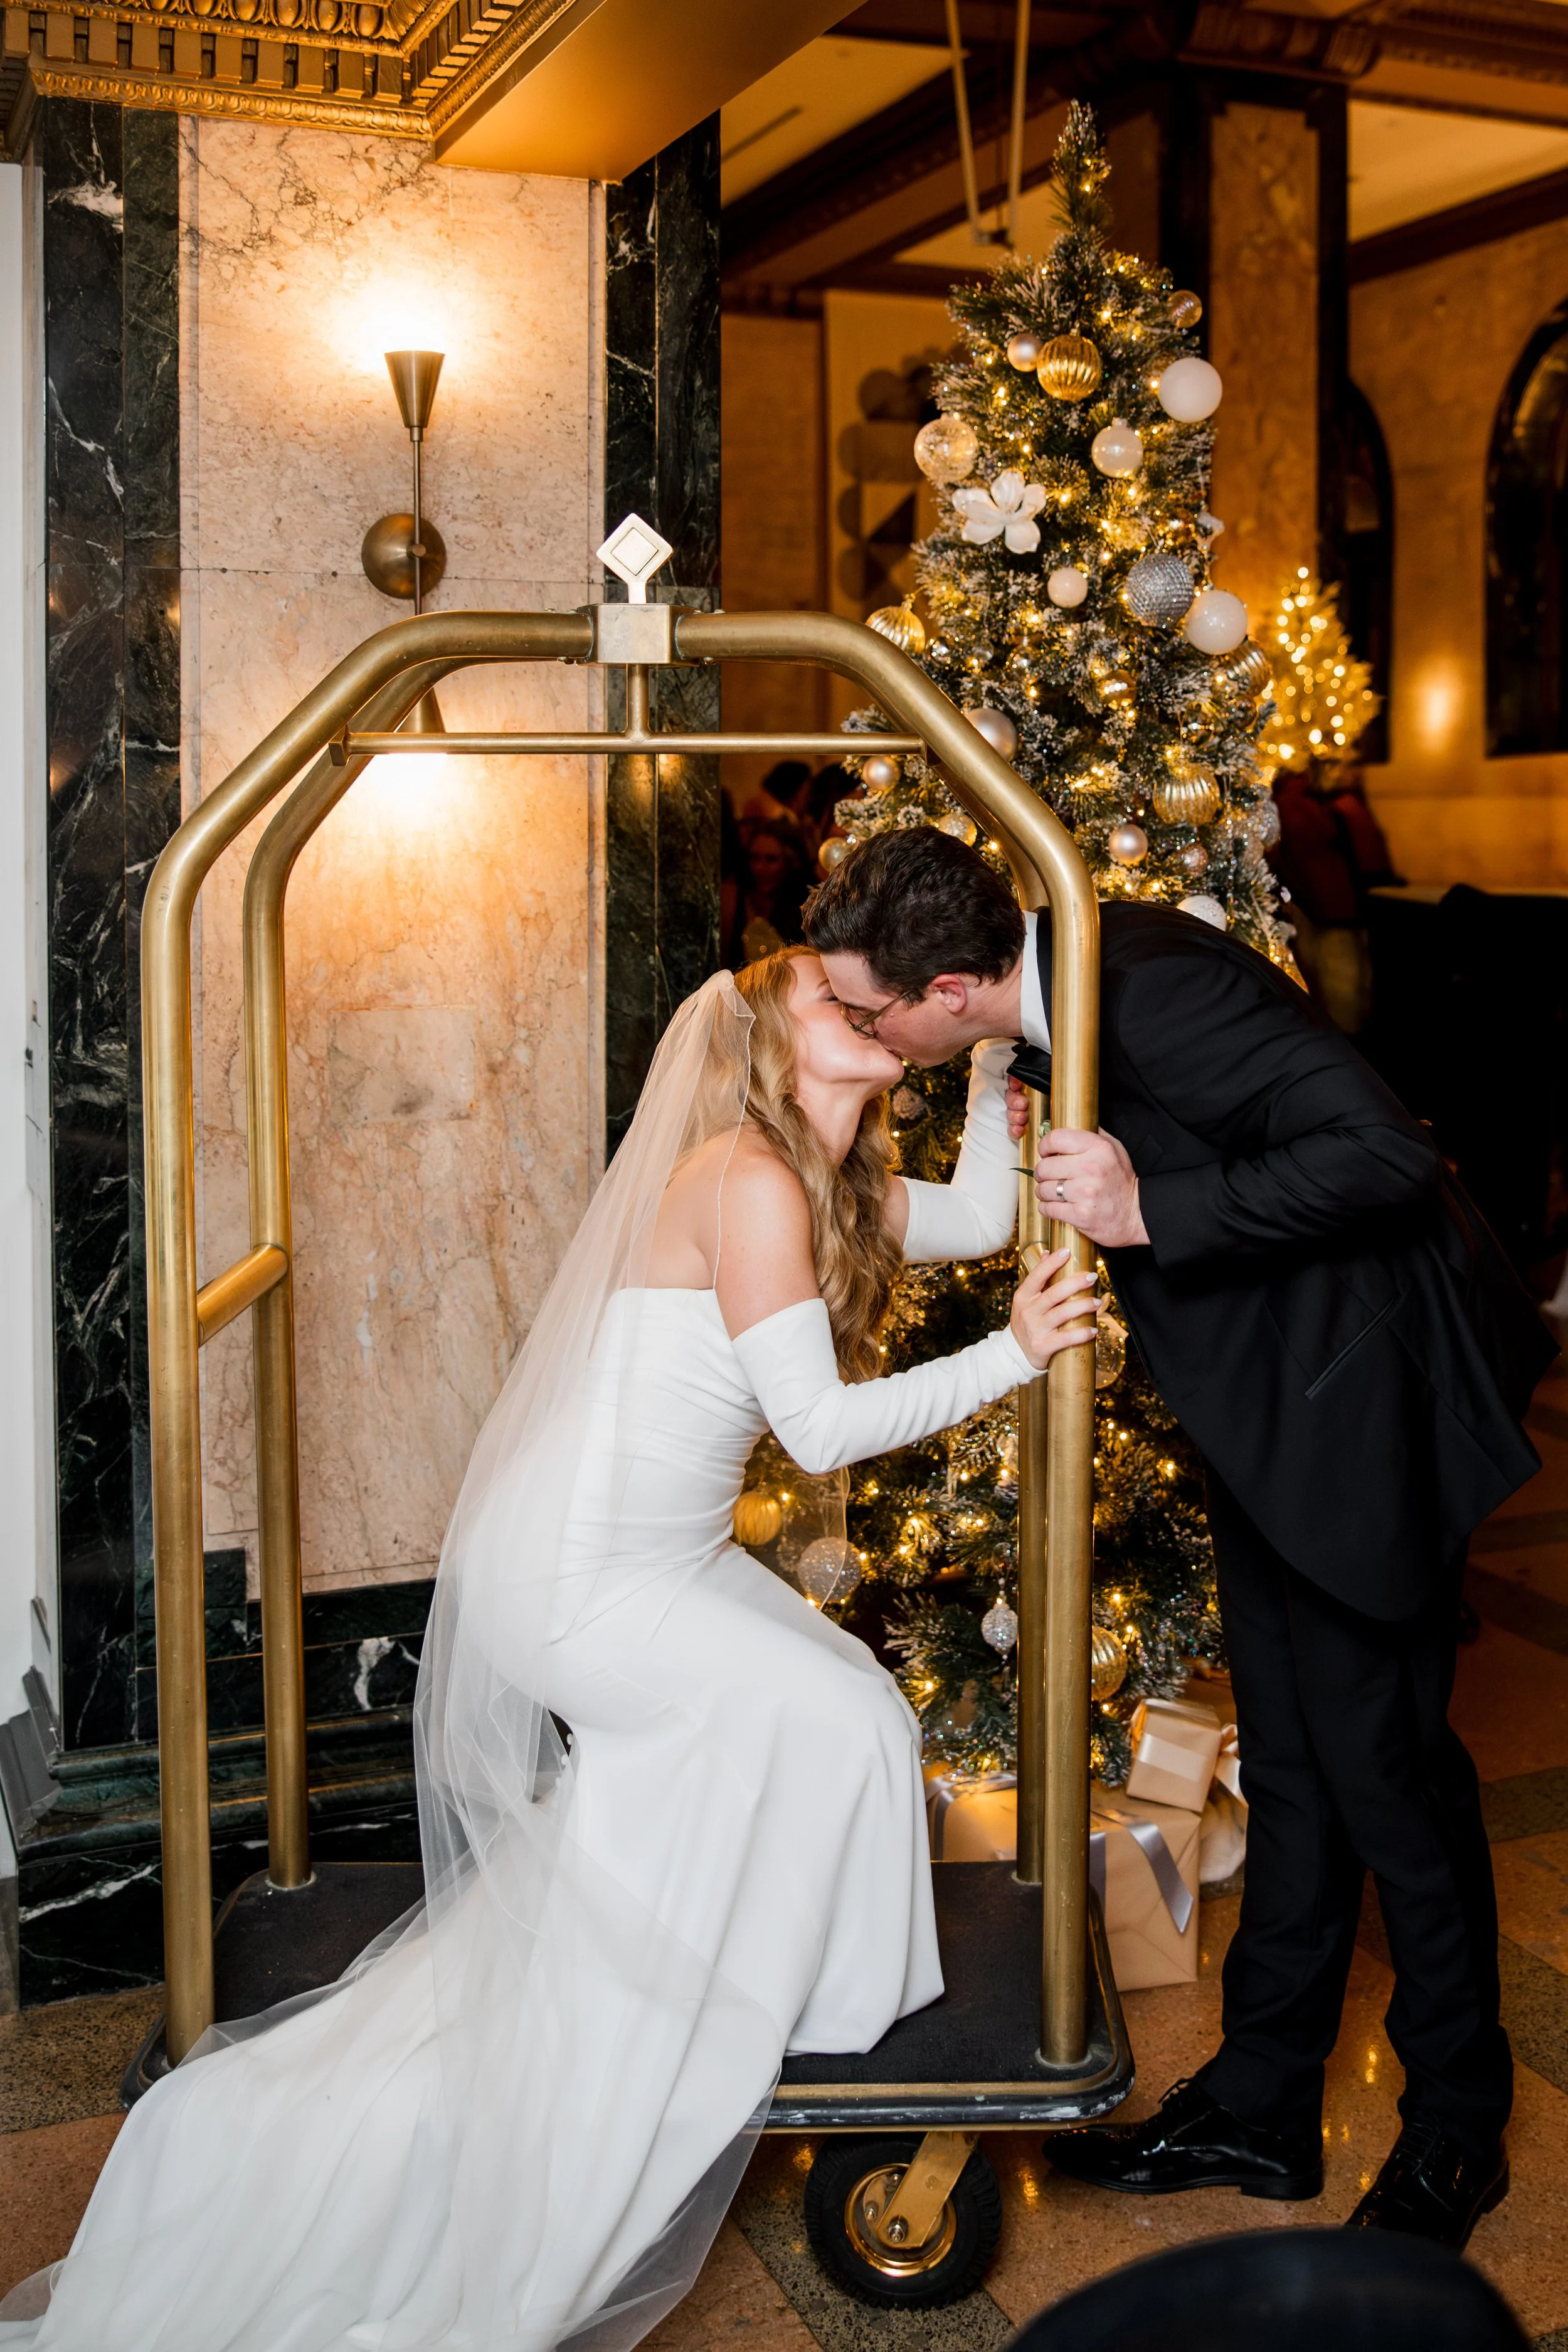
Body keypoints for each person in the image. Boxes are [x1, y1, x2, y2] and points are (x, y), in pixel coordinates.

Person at [0, 947, 1094, 2352]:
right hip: (576, 1577)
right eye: (840, 997)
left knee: (858, 1709)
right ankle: (677, 2003)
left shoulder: (827, 1180)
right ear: (776, 1046)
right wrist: (1010, 1356)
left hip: (654, 1557)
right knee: (825, 1728)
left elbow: (977, 1214)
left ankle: (780, 1989)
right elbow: (819, 1431)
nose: (874, 1004)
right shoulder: (746, 1180)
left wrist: (1002, 1048)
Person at [805, 825, 1557, 2252]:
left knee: (1392, 1779)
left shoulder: (1142, 983)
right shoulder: (1043, 1008)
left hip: (1357, 1421)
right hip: (1274, 1419)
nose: (858, 1026)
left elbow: (1378, 1154)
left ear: (954, 981)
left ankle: (1458, 2126)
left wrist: (1154, 1208)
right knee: (1289, 1760)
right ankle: (1265, 2106)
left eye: (868, 1004)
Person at [1270, 759, 1401, 1036]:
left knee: (1339, 972)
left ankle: (1349, 1034)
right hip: (1337, 903)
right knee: (1345, 972)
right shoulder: (1310, 803)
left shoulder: (1298, 804)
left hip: (1327, 905)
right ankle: (1353, 1033)